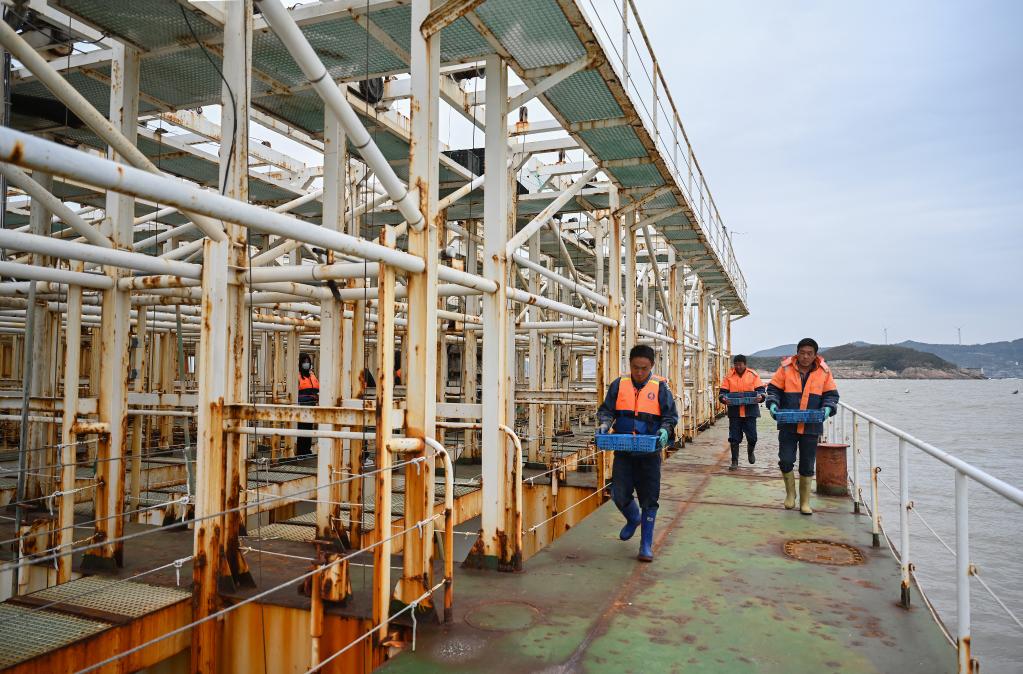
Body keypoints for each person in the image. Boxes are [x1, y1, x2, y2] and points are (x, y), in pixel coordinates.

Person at [596, 344, 679, 562]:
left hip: (649, 453)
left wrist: (664, 430)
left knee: (649, 498)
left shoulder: (661, 388)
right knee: (619, 493)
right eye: (635, 367)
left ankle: (645, 545)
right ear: (630, 365)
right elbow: (607, 410)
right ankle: (633, 519)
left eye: (644, 368)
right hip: (624, 449)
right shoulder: (618, 384)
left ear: (651, 366)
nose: (639, 372)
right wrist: (605, 424)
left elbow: (670, 417)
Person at [764, 338, 839, 515]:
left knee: (807, 463)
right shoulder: (785, 369)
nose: (805, 357)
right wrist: (773, 404)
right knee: (786, 459)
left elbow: (831, 395)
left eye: (809, 353)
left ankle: (805, 502)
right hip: (788, 424)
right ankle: (791, 495)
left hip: (811, 426)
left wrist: (828, 408)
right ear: (797, 353)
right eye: (802, 353)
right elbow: (773, 390)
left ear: (815, 355)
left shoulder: (824, 372)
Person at [718, 354, 765, 471]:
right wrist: (723, 398)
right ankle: (734, 461)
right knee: (734, 437)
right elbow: (722, 392)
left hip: (750, 412)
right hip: (735, 412)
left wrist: (761, 396)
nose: (738, 367)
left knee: (752, 437)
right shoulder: (729, 376)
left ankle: (750, 452)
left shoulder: (753, 375)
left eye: (740, 364)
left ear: (745, 364)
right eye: (736, 364)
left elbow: (761, 390)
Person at [296, 353, 319, 456]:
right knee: (302, 430)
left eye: (308, 361)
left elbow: (317, 390)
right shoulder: (297, 376)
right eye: (304, 362)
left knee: (309, 429)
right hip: (302, 408)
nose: (306, 363)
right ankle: (301, 452)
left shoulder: (312, 375)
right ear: (300, 363)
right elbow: (295, 394)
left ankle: (307, 451)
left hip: (311, 408)